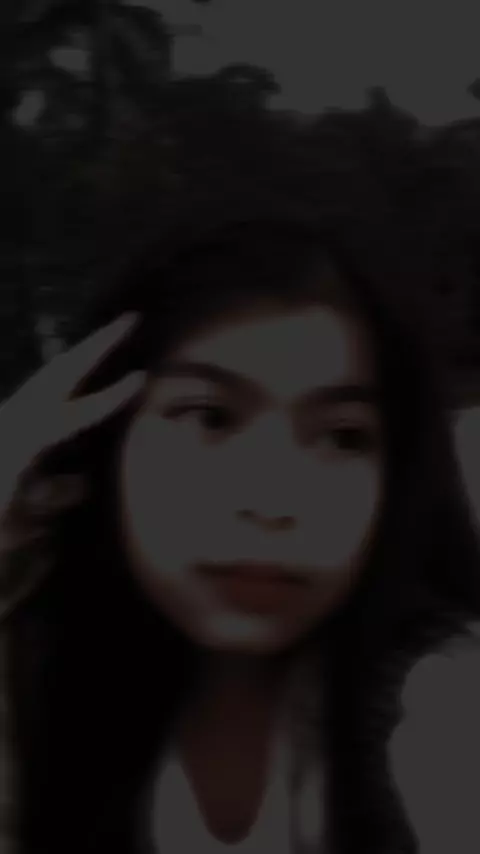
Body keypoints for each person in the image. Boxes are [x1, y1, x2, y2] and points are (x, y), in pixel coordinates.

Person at [2, 115, 480, 854]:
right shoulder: (34, 687)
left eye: (344, 437)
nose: (272, 503)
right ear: (103, 442)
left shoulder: (445, 703)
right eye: (209, 417)